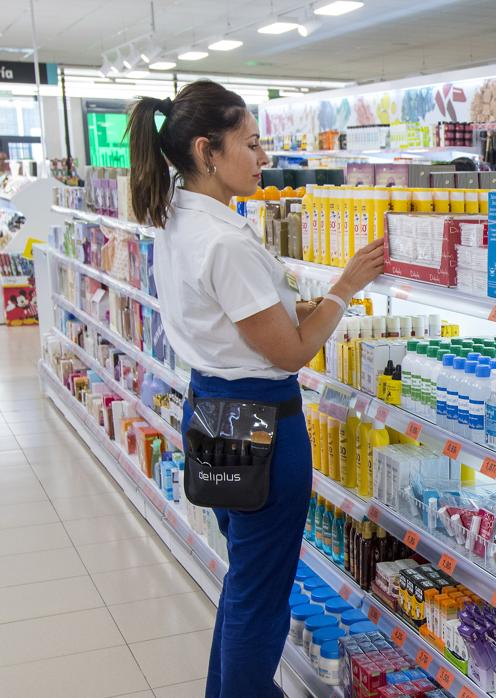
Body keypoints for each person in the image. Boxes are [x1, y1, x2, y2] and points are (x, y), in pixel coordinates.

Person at [125, 80, 384, 697]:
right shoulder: (222, 241)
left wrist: (294, 303)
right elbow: (291, 350)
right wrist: (344, 289)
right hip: (260, 425)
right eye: (252, 142)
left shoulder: (181, 220)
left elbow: (244, 316)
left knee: (246, 580)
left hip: (214, 410)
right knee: (261, 592)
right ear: (207, 151)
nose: (264, 157)